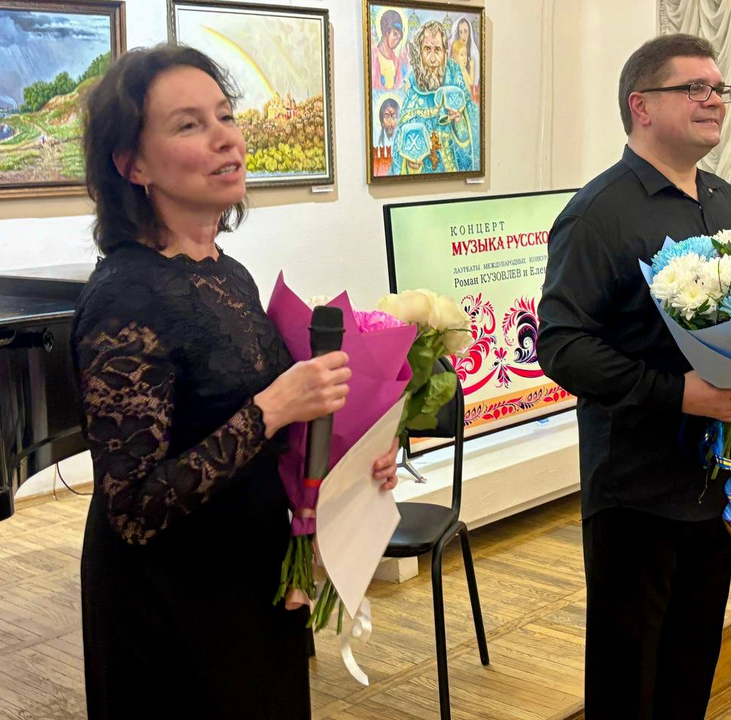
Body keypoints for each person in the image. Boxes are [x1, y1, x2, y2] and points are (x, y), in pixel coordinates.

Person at [74, 45, 399, 720]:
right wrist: (272, 409)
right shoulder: (125, 297)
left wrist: (350, 464)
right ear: (132, 165)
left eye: (224, 115)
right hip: (171, 612)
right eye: (189, 125)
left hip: (250, 582)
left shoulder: (228, 273)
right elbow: (132, 509)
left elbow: (261, 438)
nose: (226, 138)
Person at [538, 34, 731, 719]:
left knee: (691, 671)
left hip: (716, 482)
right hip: (635, 490)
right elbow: (562, 345)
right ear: (641, 106)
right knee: (626, 683)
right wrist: (678, 393)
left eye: (719, 89)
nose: (714, 100)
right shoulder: (597, 213)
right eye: (694, 88)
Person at [389, 20, 480, 175]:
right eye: (427, 49)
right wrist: (411, 164)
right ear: (419, 52)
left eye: (437, 50)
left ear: (445, 53)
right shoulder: (412, 84)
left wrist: (460, 121)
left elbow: (474, 131)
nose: (432, 59)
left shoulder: (455, 75)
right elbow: (401, 145)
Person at [371, 9, 408, 91]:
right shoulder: (374, 57)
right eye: (395, 34)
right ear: (386, 32)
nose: (397, 40)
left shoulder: (397, 61)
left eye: (399, 37)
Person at [451, 17, 479, 103]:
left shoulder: (474, 52)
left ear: (469, 32)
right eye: (460, 32)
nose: (463, 35)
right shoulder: (456, 47)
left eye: (465, 31)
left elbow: (472, 82)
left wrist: (472, 67)